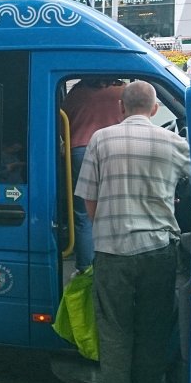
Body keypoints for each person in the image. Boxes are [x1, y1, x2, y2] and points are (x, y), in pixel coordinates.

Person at [75, 80, 190, 383]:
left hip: (113, 251)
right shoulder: (175, 143)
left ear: (121, 107)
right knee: (153, 331)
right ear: (154, 109)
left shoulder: (101, 140)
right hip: (158, 250)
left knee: (115, 332)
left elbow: (89, 199)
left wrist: (107, 228)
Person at [61, 78, 125, 275]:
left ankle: (85, 268)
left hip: (80, 150)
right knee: (117, 208)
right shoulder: (122, 91)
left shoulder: (76, 93)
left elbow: (62, 123)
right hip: (115, 149)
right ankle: (115, 265)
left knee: (83, 213)